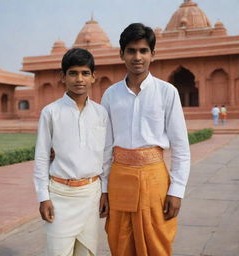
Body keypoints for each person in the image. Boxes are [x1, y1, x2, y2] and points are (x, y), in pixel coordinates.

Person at [101, 23, 191, 256]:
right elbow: (104, 146)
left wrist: (177, 190)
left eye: (143, 50)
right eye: (131, 50)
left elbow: (180, 146)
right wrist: (103, 189)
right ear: (122, 54)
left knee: (157, 243)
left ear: (153, 54)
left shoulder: (167, 92)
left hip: (155, 179)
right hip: (119, 179)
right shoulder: (111, 94)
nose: (137, 57)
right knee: (120, 242)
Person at [34, 48, 109, 256]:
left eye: (85, 73)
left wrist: (105, 191)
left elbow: (106, 155)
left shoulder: (100, 113)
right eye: (73, 73)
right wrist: (43, 197)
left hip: (91, 193)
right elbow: (41, 156)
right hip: (60, 195)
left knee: (86, 253)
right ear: (63, 77)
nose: (79, 79)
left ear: (94, 77)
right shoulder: (51, 112)